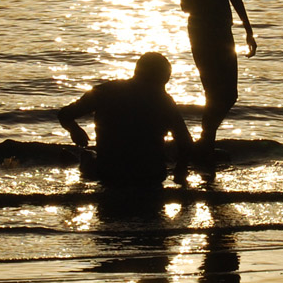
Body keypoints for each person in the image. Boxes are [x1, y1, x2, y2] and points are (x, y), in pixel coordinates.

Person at [57, 52, 192, 186]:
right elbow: (185, 142)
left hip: (109, 171)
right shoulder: (165, 101)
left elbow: (64, 115)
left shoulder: (105, 91)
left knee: (86, 157)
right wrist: (180, 171)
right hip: (150, 173)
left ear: (137, 72)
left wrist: (75, 130)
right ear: (163, 78)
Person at [181, 0, 256, 158]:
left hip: (223, 30)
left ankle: (205, 140)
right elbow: (185, 5)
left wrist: (248, 30)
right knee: (212, 90)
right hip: (201, 30)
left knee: (230, 94)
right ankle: (206, 143)